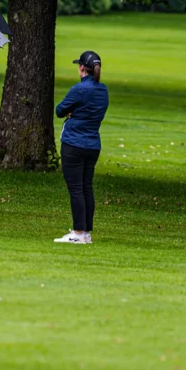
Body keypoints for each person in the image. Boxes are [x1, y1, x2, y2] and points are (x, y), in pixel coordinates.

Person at [53, 51, 109, 244]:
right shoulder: (103, 90)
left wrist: (72, 112)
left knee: (76, 188)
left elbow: (59, 110)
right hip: (92, 143)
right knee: (86, 188)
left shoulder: (79, 89)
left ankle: (78, 232)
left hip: (74, 143)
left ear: (82, 69)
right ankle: (85, 232)